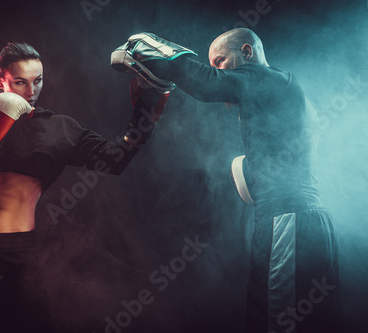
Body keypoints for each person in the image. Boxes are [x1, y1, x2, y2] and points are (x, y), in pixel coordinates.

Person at [0, 42, 168, 333]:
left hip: (12, 252)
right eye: (20, 82)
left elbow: (115, 161)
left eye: (37, 81)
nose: (31, 91)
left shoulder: (61, 128)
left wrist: (143, 121)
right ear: (0, 80)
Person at [111, 29, 341, 333]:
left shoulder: (265, 77)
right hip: (306, 222)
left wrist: (145, 45)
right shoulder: (283, 90)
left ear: (246, 52)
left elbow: (207, 84)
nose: (216, 69)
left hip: (287, 221)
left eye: (220, 61)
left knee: (275, 324)